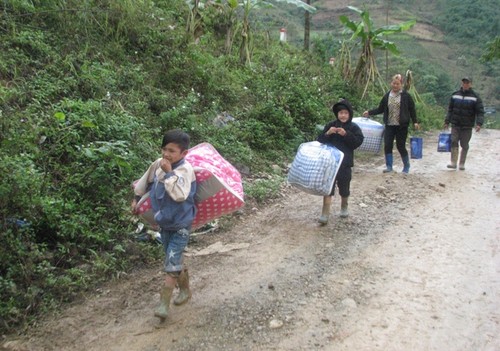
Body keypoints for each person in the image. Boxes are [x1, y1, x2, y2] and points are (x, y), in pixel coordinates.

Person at [131, 129, 197, 322]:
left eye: (172, 151)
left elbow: (180, 195)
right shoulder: (157, 165)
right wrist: (136, 198)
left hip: (181, 224)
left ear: (184, 153)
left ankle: (163, 303)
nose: (166, 154)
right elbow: (145, 182)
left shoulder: (185, 171)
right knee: (173, 260)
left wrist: (169, 174)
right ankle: (185, 290)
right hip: (164, 223)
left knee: (171, 262)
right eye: (164, 149)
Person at [317, 99, 364, 224]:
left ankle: (344, 207)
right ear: (337, 114)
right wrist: (328, 133)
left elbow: (357, 142)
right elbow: (320, 140)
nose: (343, 115)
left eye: (345, 113)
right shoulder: (331, 125)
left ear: (349, 114)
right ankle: (325, 213)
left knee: (344, 186)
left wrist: (346, 134)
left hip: (345, 163)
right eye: (340, 113)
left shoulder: (354, 127)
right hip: (330, 163)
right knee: (328, 187)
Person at [363, 74, 419, 173]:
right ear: (391, 83)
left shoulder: (406, 96)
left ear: (401, 84)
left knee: (400, 146)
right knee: (388, 145)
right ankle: (389, 167)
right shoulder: (387, 96)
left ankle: (406, 166)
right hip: (389, 125)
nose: (395, 85)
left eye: (397, 84)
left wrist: (415, 122)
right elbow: (380, 109)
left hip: (402, 126)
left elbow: (412, 110)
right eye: (393, 83)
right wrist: (369, 112)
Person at [443, 77, 484, 170]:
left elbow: (480, 112)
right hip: (455, 124)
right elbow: (450, 110)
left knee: (464, 144)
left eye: (467, 83)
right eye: (464, 82)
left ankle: (462, 163)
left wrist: (479, 124)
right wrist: (447, 121)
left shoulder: (475, 97)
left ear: (471, 84)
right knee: (453, 141)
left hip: (467, 126)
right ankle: (453, 162)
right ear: (462, 83)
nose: (465, 84)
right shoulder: (455, 95)